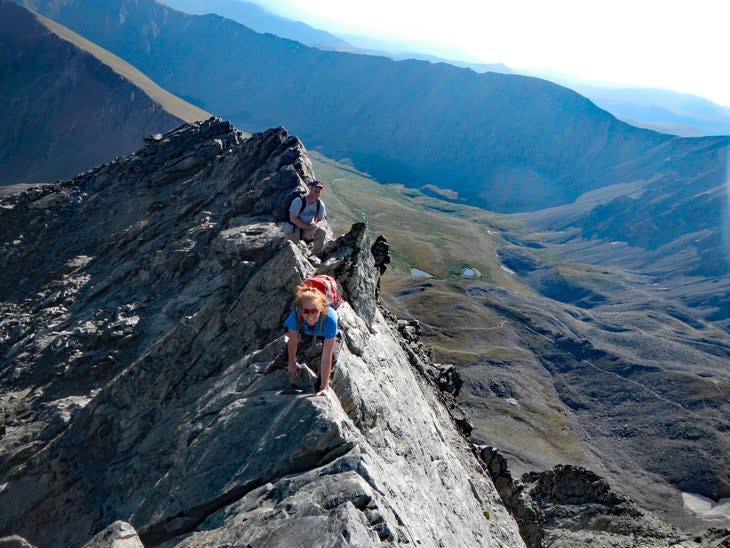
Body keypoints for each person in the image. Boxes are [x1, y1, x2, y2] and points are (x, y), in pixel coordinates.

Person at [270, 283, 341, 396]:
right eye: (306, 311)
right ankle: (271, 372)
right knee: (285, 356)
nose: (310, 315)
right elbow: (293, 342)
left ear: (322, 308)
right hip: (307, 330)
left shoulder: (330, 319)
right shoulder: (296, 317)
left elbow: (326, 356)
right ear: (300, 309)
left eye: (314, 310)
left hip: (327, 332)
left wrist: (324, 386)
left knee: (332, 357)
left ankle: (322, 387)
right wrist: (292, 362)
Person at [285, 180, 327, 256]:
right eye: (315, 190)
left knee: (322, 232)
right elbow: (293, 219)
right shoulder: (299, 201)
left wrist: (314, 227)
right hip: (293, 228)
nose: (316, 193)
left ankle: (315, 256)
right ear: (310, 189)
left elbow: (320, 220)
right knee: (289, 250)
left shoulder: (320, 204)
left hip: (308, 227)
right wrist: (308, 227)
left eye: (318, 191)